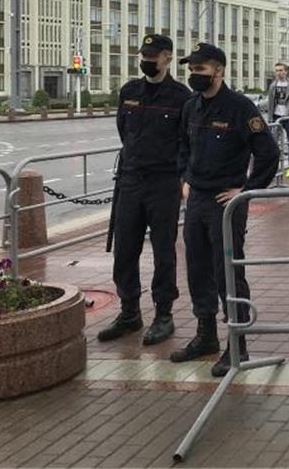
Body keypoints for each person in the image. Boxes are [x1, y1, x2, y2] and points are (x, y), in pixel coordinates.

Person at [171, 43, 280, 377]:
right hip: (197, 201)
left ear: (219, 71)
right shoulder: (191, 107)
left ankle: (238, 344)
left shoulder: (239, 107)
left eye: (200, 70)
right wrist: (185, 180)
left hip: (225, 204)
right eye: (191, 70)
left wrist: (245, 191)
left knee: (227, 271)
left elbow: (268, 154)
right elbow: (183, 147)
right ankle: (206, 336)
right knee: (198, 269)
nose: (194, 76)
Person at [98, 34, 192, 346]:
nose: (147, 60)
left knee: (164, 250)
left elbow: (186, 142)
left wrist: (182, 178)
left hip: (163, 182)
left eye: (154, 55)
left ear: (167, 57)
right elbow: (124, 131)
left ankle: (163, 314)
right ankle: (129, 312)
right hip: (130, 180)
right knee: (125, 249)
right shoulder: (129, 91)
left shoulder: (181, 96)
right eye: (144, 54)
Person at [269, 62, 289, 178]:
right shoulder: (273, 85)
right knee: (274, 144)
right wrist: (270, 119)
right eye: (277, 70)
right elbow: (271, 103)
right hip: (276, 118)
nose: (279, 73)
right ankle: (275, 168)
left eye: (281, 70)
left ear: (286, 71)